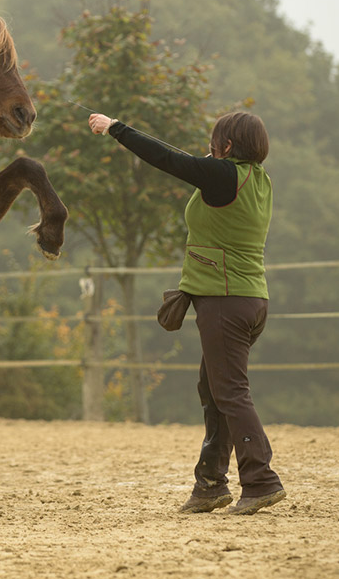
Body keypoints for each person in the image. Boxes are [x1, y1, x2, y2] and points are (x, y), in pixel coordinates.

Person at [88, 111, 286, 516]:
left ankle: (261, 479)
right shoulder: (257, 180)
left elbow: (169, 159)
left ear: (227, 146)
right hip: (248, 299)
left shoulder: (224, 176)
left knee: (229, 391)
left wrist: (116, 128)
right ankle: (210, 485)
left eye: (216, 140)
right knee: (215, 389)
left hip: (224, 300)